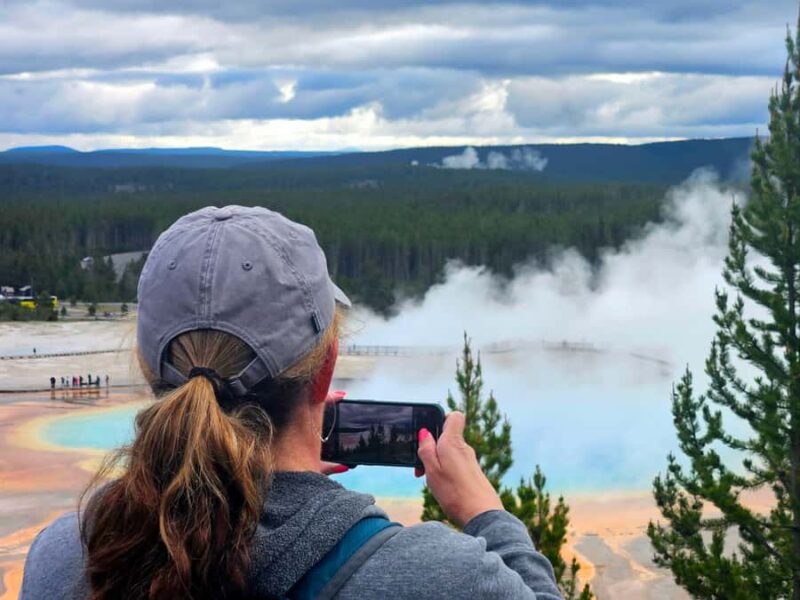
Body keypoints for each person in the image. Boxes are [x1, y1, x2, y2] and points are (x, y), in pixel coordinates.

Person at [20, 206, 561, 600]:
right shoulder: (441, 580)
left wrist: (254, 472)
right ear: (324, 371)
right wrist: (487, 514)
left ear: (148, 370)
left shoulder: (66, 555)